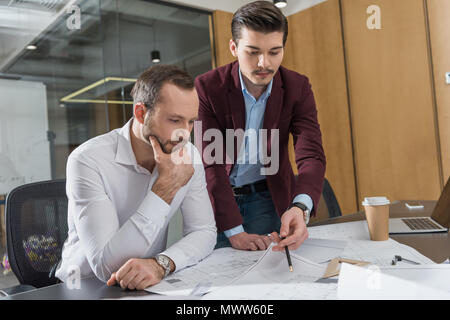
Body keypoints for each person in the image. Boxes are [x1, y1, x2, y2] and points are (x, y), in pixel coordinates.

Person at [56, 65, 217, 290]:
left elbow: (204, 232)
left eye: (190, 121)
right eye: (174, 120)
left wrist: (162, 264)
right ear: (141, 113)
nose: (185, 134)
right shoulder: (87, 160)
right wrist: (165, 189)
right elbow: (107, 268)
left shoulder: (187, 154)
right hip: (84, 287)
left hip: (145, 284)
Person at [195, 1, 326, 252]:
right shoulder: (208, 88)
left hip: (269, 197)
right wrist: (233, 231)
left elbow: (311, 154)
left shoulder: (297, 88)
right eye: (253, 52)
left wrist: (300, 206)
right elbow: (211, 163)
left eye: (274, 52)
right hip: (217, 198)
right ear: (234, 48)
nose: (264, 63)